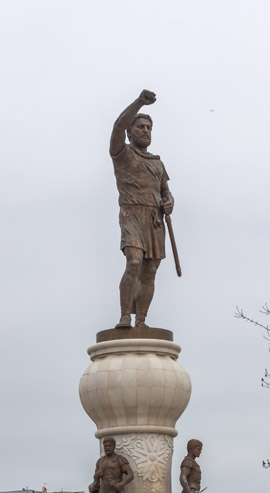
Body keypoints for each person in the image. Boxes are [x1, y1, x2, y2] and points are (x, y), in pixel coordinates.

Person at [110, 89, 174, 328]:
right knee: (134, 261)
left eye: (149, 128)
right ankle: (125, 315)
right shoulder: (122, 154)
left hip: (155, 220)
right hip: (131, 214)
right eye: (140, 127)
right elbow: (117, 127)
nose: (145, 131)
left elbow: (166, 192)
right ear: (130, 131)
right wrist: (138, 103)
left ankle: (142, 321)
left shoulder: (157, 163)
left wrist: (169, 203)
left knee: (150, 271)